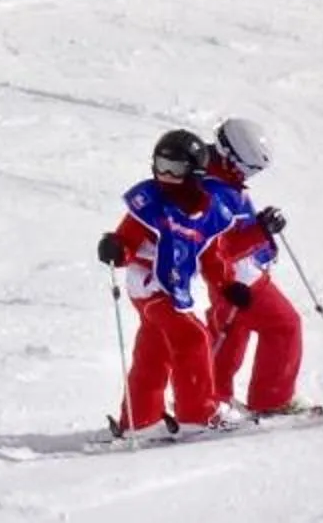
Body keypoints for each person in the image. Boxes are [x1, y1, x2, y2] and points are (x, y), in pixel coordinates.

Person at [97, 129, 239, 434]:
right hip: (148, 285)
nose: (164, 175)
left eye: (174, 169)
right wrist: (116, 249)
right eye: (160, 165)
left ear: (195, 172)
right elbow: (127, 241)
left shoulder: (208, 213)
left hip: (173, 287)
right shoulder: (151, 203)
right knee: (193, 338)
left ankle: (140, 419)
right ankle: (197, 415)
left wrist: (228, 285)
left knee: (155, 350)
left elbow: (211, 256)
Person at [198, 118, 301, 415]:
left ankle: (211, 400)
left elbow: (234, 229)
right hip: (238, 278)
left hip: (237, 277)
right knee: (284, 326)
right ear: (229, 155)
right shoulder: (213, 192)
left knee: (230, 336)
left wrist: (263, 224)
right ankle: (271, 400)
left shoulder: (224, 182)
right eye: (249, 168)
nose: (250, 176)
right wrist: (261, 231)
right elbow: (218, 250)